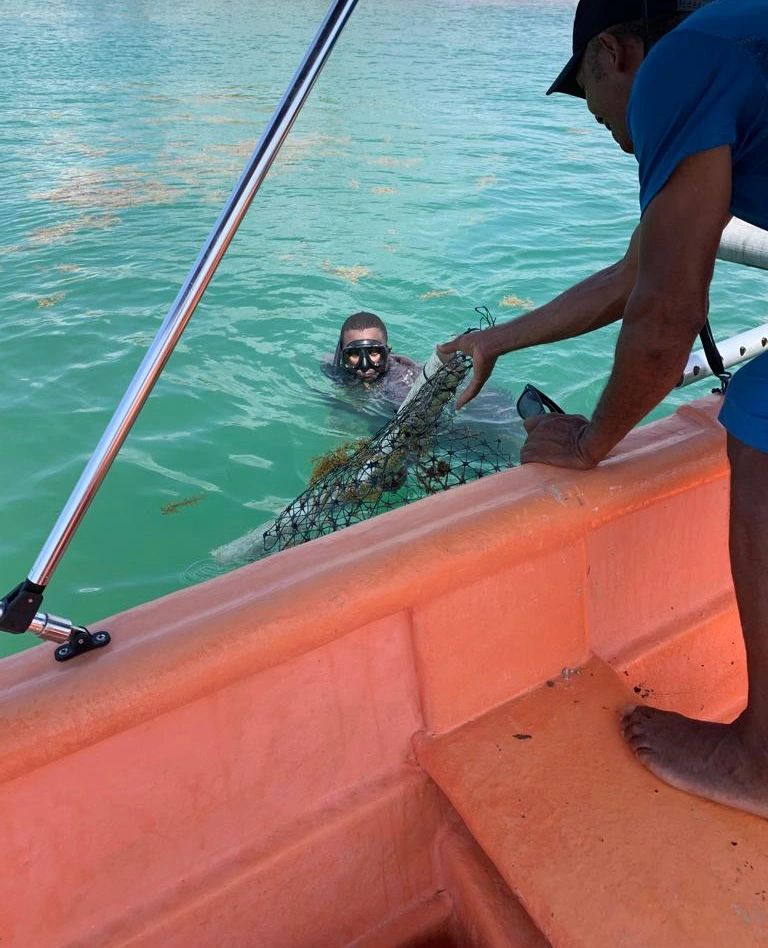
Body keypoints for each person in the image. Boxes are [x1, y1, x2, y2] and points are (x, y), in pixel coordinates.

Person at [439, 0, 768, 817]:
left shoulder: (683, 65)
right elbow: (635, 274)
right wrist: (499, 339)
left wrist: (591, 443)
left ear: (614, 54)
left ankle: (762, 760)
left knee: (759, 428)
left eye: (596, 107)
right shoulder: (736, 44)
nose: (614, 134)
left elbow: (661, 322)